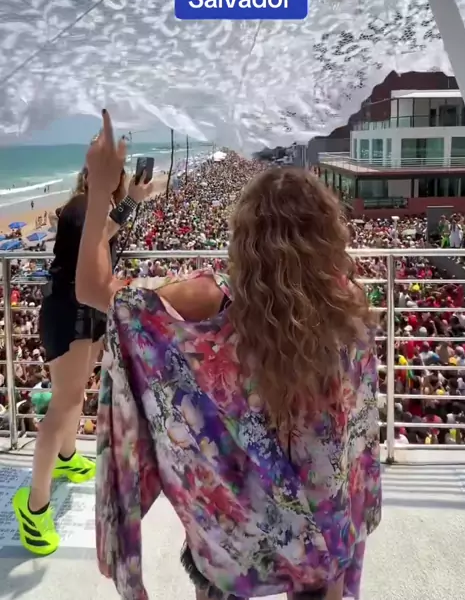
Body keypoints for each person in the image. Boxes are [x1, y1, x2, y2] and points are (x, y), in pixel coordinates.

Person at [77, 111, 381, 600]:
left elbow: (94, 289)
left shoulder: (208, 300)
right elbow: (357, 435)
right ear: (328, 235)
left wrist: (100, 190)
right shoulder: (349, 310)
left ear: (244, 237)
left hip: (230, 534)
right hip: (322, 530)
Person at [13, 144, 153, 556]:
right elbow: (101, 233)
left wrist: (131, 199)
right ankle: (34, 505)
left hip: (88, 310)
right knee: (64, 402)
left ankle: (68, 454)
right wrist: (132, 201)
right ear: (91, 173)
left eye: (117, 170)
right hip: (67, 312)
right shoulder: (79, 208)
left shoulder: (98, 206)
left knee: (76, 395)